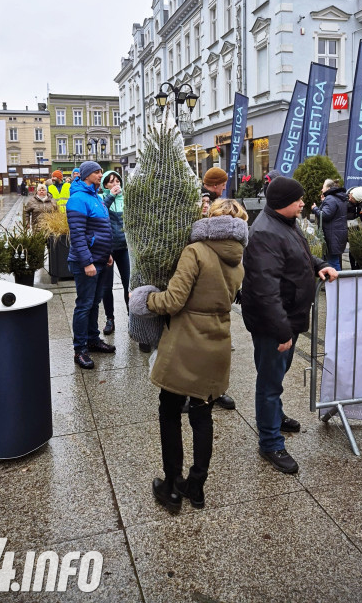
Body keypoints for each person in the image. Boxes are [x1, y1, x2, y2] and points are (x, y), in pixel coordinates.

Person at [129, 199, 248, 512]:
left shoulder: (195, 252)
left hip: (185, 343)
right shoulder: (238, 261)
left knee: (169, 410)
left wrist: (145, 299)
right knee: (202, 414)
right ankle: (196, 487)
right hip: (217, 343)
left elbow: (173, 300)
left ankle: (170, 487)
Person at [242, 177, 338, 474]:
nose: (304, 203)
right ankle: (270, 442)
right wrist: (281, 331)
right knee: (269, 382)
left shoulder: (285, 223)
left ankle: (276, 417)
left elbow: (301, 256)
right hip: (274, 323)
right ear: (283, 202)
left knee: (277, 374)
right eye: (299, 199)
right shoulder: (265, 234)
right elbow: (265, 291)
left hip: (288, 317)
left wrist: (319, 263)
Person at [66, 161, 115, 369]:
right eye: (97, 172)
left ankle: (93, 340)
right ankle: (80, 349)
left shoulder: (95, 197)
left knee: (94, 303)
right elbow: (77, 235)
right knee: (84, 305)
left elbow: (102, 229)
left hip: (101, 259)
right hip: (87, 262)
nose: (100, 174)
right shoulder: (78, 199)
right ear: (86, 175)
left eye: (100, 171)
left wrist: (107, 254)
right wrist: (87, 262)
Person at [200, 166, 235, 410]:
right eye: (221, 184)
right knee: (203, 341)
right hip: (205, 273)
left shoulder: (217, 200)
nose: (224, 187)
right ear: (215, 184)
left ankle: (216, 389)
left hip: (217, 274)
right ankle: (201, 391)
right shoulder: (204, 201)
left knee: (216, 341)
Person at [100, 170, 130, 336]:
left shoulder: (126, 198)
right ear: (105, 185)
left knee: (128, 284)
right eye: (111, 181)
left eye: (117, 181)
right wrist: (110, 195)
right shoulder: (101, 199)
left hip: (125, 247)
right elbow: (101, 213)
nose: (115, 184)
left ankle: (131, 316)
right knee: (106, 286)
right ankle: (110, 319)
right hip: (108, 248)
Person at [311, 178, 348, 271]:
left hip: (332, 235)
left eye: (323, 187)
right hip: (338, 234)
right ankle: (335, 283)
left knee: (332, 262)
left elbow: (325, 215)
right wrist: (324, 202)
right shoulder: (339, 197)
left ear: (328, 188)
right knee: (334, 260)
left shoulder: (330, 198)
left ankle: (338, 284)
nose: (321, 189)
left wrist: (315, 208)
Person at [346, 185, 362, 269]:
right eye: (350, 197)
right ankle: (353, 267)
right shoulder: (346, 200)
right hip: (350, 226)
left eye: (352, 199)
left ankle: (360, 266)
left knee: (361, 247)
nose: (349, 199)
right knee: (352, 247)